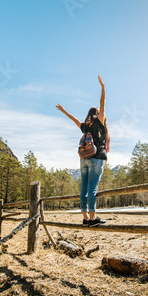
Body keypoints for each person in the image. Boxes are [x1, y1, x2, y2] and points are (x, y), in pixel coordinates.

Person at [56, 75, 109, 226]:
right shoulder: (99, 121)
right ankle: (93, 219)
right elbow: (102, 102)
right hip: (96, 158)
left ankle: (85, 217)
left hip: (83, 159)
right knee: (92, 189)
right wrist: (103, 87)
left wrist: (64, 111)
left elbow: (73, 119)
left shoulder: (85, 126)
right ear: (97, 114)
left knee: (83, 189)